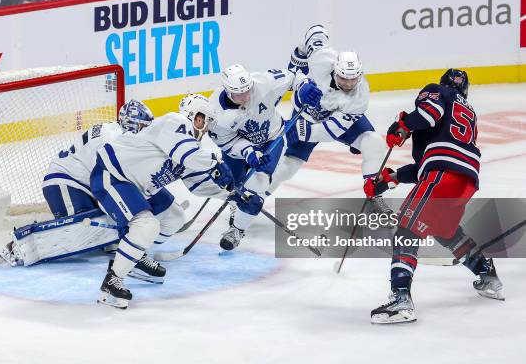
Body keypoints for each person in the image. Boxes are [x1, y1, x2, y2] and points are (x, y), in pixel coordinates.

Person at [368, 69, 504, 324]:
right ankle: (487, 274)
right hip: (465, 177)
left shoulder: (438, 91)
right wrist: (390, 178)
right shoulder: (467, 111)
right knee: (444, 229)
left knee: (407, 230)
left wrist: (403, 125)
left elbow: (429, 114)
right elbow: (425, 166)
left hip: (442, 173)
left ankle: (401, 298)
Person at [95, 96, 234, 308]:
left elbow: (197, 183)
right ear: (193, 115)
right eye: (203, 119)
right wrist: (215, 162)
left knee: (175, 218)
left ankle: (134, 257)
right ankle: (112, 281)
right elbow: (190, 157)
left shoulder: (191, 145)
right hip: (113, 175)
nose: (205, 127)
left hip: (139, 186)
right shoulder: (174, 122)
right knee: (147, 225)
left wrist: (233, 195)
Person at [0, 100, 156, 270]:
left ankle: (116, 242)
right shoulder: (114, 138)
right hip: (65, 181)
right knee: (77, 231)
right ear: (129, 123)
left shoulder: (113, 131)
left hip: (80, 184)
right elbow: (113, 177)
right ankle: (17, 246)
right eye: (142, 126)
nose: (145, 131)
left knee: (103, 223)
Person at [267, 25, 390, 214]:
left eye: (353, 79)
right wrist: (300, 56)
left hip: (326, 123)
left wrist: (302, 131)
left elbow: (331, 130)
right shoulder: (322, 57)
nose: (349, 84)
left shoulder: (360, 96)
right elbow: (315, 32)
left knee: (373, 143)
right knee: (287, 168)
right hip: (307, 116)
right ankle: (252, 197)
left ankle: (374, 194)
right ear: (335, 69)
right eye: (343, 78)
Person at [206, 63, 304, 251]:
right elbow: (227, 142)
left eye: (248, 91)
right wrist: (248, 151)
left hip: (271, 138)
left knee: (258, 183)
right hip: (237, 147)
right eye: (238, 94)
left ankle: (236, 230)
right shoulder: (215, 113)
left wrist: (305, 86)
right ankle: (237, 201)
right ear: (227, 92)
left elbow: (293, 76)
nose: (246, 97)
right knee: (233, 186)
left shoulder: (264, 82)